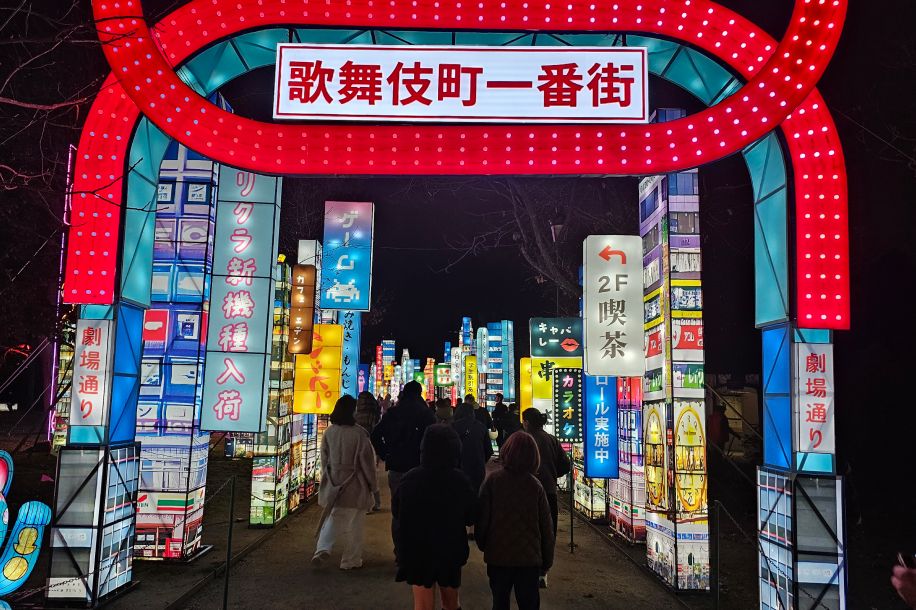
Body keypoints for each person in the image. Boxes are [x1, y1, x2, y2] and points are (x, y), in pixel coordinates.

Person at [393, 425, 477, 610]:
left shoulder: (409, 480)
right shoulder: (460, 481)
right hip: (450, 549)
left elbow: (397, 512)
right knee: (451, 602)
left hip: (416, 550)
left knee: (422, 605)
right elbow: (471, 516)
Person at [476, 432, 555, 610]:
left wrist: (484, 544)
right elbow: (546, 528)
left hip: (498, 557)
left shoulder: (493, 481)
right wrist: (547, 561)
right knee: (529, 604)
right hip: (529, 561)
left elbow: (483, 519)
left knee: (499, 602)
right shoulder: (535, 486)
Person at [371, 380, 436, 560]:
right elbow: (435, 439)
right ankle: (417, 550)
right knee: (421, 509)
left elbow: (375, 435)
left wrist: (386, 454)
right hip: (421, 467)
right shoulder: (426, 414)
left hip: (397, 467)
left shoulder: (393, 413)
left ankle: (400, 551)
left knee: (399, 509)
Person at [312, 395, 379, 570]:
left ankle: (322, 548)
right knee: (355, 524)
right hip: (355, 483)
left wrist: (327, 479)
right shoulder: (359, 434)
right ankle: (350, 560)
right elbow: (367, 463)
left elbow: (324, 459)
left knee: (333, 517)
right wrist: (373, 485)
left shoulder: (329, 432)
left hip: (334, 481)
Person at [521, 408, 570, 588]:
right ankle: (543, 572)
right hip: (548, 491)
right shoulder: (551, 439)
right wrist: (552, 474)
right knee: (547, 531)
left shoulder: (523, 439)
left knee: (526, 529)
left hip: (524, 492)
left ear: (526, 422)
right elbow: (565, 464)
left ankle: (525, 567)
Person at [451, 403, 493, 494]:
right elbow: (489, 451)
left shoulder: (453, 427)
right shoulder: (481, 427)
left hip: (458, 467)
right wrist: (480, 460)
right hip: (477, 468)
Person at [355, 391, 382, 512]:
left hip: (357, 443)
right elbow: (377, 427)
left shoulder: (356, 412)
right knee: (371, 472)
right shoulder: (374, 411)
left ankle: (365, 501)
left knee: (360, 473)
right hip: (371, 443)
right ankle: (374, 502)